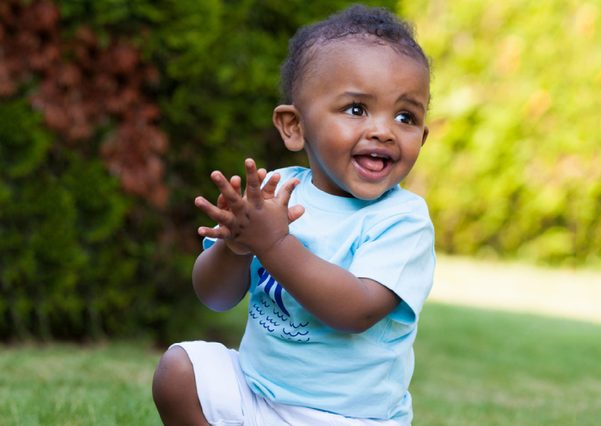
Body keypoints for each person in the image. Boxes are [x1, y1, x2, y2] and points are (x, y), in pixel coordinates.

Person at [152, 4, 436, 425]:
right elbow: (214, 297)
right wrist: (235, 247)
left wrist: (273, 244)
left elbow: (355, 311)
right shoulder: (275, 192)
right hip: (257, 394)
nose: (384, 130)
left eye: (405, 116)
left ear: (422, 135)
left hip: (346, 417)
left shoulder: (403, 220)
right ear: (294, 127)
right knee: (178, 371)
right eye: (357, 109)